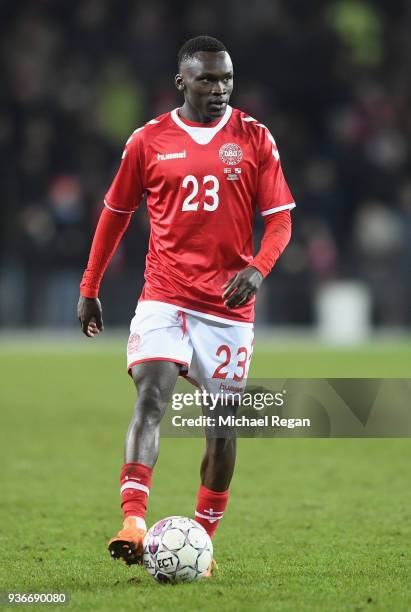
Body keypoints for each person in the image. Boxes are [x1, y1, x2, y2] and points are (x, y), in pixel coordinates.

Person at [78, 35, 295, 577]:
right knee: (152, 396)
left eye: (225, 79)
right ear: (182, 81)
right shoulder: (148, 141)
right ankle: (132, 521)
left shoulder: (254, 138)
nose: (218, 89)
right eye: (206, 79)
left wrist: (257, 269)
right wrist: (90, 287)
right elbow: (114, 214)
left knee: (221, 429)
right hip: (164, 296)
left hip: (226, 308)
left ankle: (201, 538)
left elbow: (281, 221)